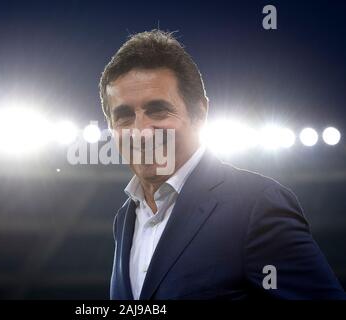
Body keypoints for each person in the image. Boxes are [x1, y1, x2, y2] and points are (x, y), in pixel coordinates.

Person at [99, 29, 346, 300]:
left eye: (157, 110)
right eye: (124, 116)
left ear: (200, 113)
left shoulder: (257, 205)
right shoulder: (125, 218)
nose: (141, 130)